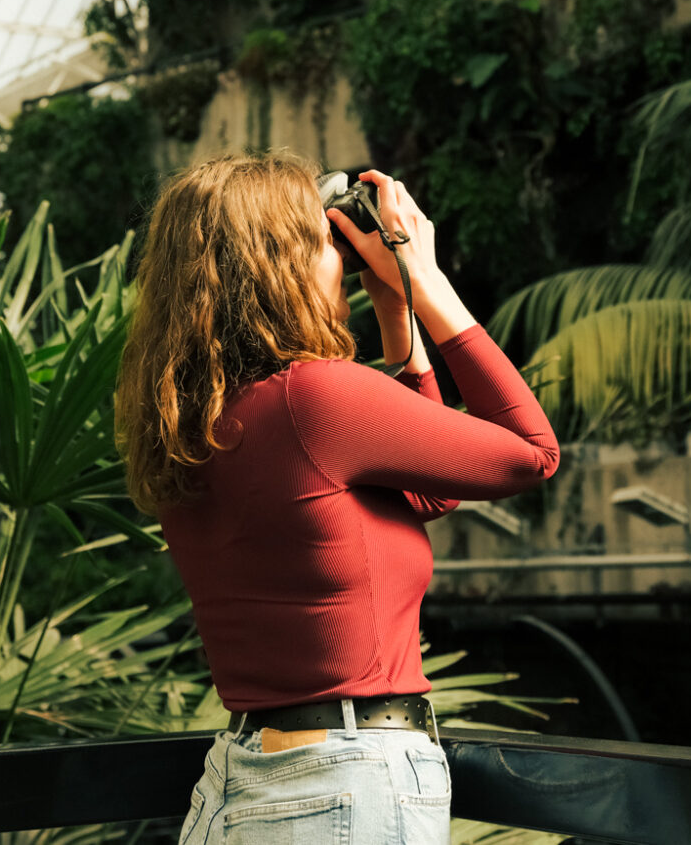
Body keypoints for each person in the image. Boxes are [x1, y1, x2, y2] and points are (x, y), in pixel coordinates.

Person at [115, 152, 560, 845]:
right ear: (281, 264)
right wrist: (425, 278)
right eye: (326, 243)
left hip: (242, 778)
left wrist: (392, 303)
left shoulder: (194, 420)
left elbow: (422, 495)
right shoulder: (314, 397)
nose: (340, 260)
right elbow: (531, 453)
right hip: (341, 783)